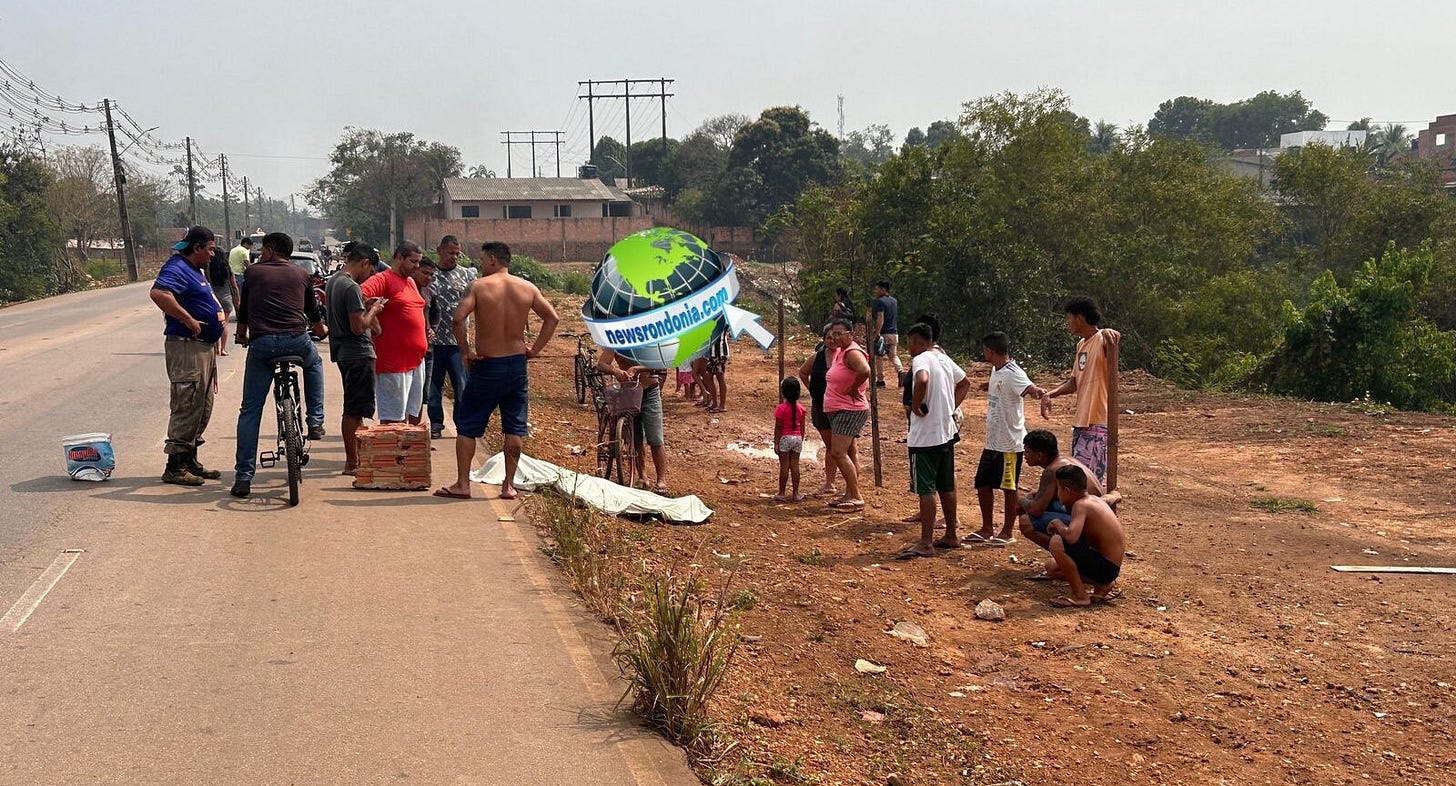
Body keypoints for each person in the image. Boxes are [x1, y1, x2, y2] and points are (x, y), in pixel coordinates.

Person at [436, 242, 559, 501]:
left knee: (468, 426)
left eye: (482, 260)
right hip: (516, 364)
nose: (480, 265)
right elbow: (552, 318)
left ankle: (462, 483)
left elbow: (458, 319)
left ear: (492, 260)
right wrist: (534, 349)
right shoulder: (527, 287)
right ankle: (508, 485)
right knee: (514, 427)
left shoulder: (480, 286)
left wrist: (466, 351)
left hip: (488, 364)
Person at [231, 232, 328, 498]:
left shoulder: (253, 273)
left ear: (271, 251)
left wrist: (241, 335)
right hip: (297, 341)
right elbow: (314, 314)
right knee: (314, 363)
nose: (260, 254)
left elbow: (244, 310)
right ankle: (315, 421)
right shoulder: (301, 275)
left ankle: (243, 476)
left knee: (250, 410)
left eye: (263, 250)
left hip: (262, 345)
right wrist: (321, 330)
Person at [150, 226, 224, 486]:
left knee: (202, 406)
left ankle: (190, 459)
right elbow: (159, 293)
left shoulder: (195, 270)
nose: (213, 255)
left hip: (202, 348)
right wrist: (189, 319)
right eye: (211, 249)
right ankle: (174, 467)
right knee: (187, 402)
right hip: (186, 347)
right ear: (197, 248)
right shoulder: (177, 267)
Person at [896, 322, 970, 559]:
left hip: (924, 437)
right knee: (946, 485)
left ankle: (926, 542)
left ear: (916, 342)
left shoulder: (921, 359)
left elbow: (923, 379)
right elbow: (964, 382)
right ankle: (951, 534)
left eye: (909, 343)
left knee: (925, 488)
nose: (909, 348)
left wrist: (916, 405)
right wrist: (949, 408)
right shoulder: (943, 358)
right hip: (946, 433)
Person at [969, 331, 1045, 546]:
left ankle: (1007, 532)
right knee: (982, 483)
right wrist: (988, 385)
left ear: (991, 351)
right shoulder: (997, 369)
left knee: (1008, 487)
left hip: (1010, 443)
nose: (984, 353)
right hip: (992, 441)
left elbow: (1029, 387)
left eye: (985, 350)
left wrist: (1040, 393)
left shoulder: (1014, 372)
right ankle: (986, 528)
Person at [1041, 296, 1121, 487]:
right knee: (1079, 479)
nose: (1067, 323)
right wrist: (1050, 394)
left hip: (1097, 421)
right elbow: (1074, 383)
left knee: (1087, 483)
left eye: (1068, 318)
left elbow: (1112, 340)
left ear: (1079, 318)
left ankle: (1094, 515)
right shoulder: (1081, 345)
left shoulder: (1102, 339)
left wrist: (1110, 332)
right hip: (1081, 423)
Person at [325, 243, 386, 475]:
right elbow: (359, 327)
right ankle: (352, 462)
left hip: (344, 353)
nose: (369, 276)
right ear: (364, 263)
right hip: (357, 353)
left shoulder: (334, 281)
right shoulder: (350, 287)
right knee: (353, 409)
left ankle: (357, 458)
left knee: (356, 407)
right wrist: (375, 310)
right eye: (370, 271)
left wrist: (366, 307)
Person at [1017, 429, 1121, 555]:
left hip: (1085, 520)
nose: (1025, 455)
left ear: (1039, 455)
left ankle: (1069, 557)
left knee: (1026, 521)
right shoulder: (1066, 461)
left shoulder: (1052, 470)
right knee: (1034, 499)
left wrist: (1021, 500)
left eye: (1027, 451)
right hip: (1094, 513)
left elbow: (1036, 509)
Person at [361, 241, 428, 425]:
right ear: (399, 258)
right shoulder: (383, 279)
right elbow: (360, 295)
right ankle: (391, 454)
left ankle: (407, 453)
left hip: (415, 360)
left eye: (418, 262)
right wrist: (373, 319)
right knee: (393, 421)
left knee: (412, 416)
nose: (417, 266)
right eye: (413, 262)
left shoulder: (410, 282)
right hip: (394, 363)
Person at [1045, 464, 1126, 608]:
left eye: (1058, 490)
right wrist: (1115, 495)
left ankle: (1080, 596)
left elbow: (1071, 537)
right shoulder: (1093, 499)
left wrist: (1057, 523)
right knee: (1052, 568)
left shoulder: (1080, 505)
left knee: (1056, 542)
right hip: (1109, 567)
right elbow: (1109, 499)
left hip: (1106, 567)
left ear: (1067, 491)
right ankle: (1102, 585)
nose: (1057, 494)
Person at [597, 348, 670, 493]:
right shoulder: (616, 341)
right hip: (629, 392)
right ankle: (642, 476)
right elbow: (601, 364)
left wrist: (637, 368)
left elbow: (660, 364)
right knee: (635, 436)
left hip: (650, 390)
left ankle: (661, 479)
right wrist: (615, 371)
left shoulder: (647, 340)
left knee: (655, 437)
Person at [426, 235, 477, 439]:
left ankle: (462, 424)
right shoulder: (429, 275)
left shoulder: (467, 276)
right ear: (439, 251)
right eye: (450, 253)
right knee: (433, 386)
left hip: (458, 342)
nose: (454, 257)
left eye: (457, 254)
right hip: (434, 342)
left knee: (462, 386)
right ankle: (436, 424)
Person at [822, 318, 870, 510]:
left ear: (850, 334)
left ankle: (856, 496)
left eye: (839, 333)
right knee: (848, 451)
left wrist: (853, 388)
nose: (835, 337)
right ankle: (849, 493)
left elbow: (865, 370)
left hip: (849, 409)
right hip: (839, 408)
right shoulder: (840, 352)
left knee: (838, 452)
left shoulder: (852, 352)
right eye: (833, 334)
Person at [797, 323, 841, 497]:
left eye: (835, 337)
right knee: (831, 446)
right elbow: (802, 373)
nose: (832, 341)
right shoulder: (817, 357)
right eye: (828, 337)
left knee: (848, 447)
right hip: (821, 407)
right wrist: (812, 391)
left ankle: (853, 483)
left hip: (841, 407)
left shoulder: (846, 357)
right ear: (824, 339)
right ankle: (830, 483)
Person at [411, 257, 440, 422]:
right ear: (415, 270)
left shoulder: (429, 292)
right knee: (405, 395)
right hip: (407, 352)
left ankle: (415, 435)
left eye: (431, 274)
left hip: (427, 351)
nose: (428, 277)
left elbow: (436, 313)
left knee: (421, 394)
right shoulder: (405, 290)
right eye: (425, 273)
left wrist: (433, 329)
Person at [773, 377, 806, 502]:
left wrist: (776, 442)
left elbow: (778, 427)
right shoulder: (802, 409)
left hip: (785, 438)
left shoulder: (781, 409)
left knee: (784, 466)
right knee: (795, 466)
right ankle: (796, 493)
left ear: (783, 392)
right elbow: (802, 427)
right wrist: (800, 439)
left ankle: (781, 493)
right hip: (797, 438)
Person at [206, 246, 239, 355]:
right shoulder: (227, 269)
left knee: (215, 323)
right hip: (226, 299)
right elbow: (234, 286)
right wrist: (237, 300)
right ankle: (223, 349)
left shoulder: (209, 268)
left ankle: (216, 348)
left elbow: (207, 284)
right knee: (224, 324)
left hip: (214, 300)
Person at [871, 280, 902, 387]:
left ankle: (880, 380)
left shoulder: (880, 302)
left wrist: (877, 333)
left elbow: (880, 318)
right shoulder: (894, 301)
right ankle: (901, 372)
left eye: (877, 289)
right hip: (894, 333)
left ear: (883, 290)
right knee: (893, 356)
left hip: (884, 334)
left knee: (878, 356)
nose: (876, 291)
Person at [704, 329, 730, 412]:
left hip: (720, 352)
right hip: (712, 351)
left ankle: (721, 405)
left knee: (719, 377)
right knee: (708, 376)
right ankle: (715, 403)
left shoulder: (723, 318)